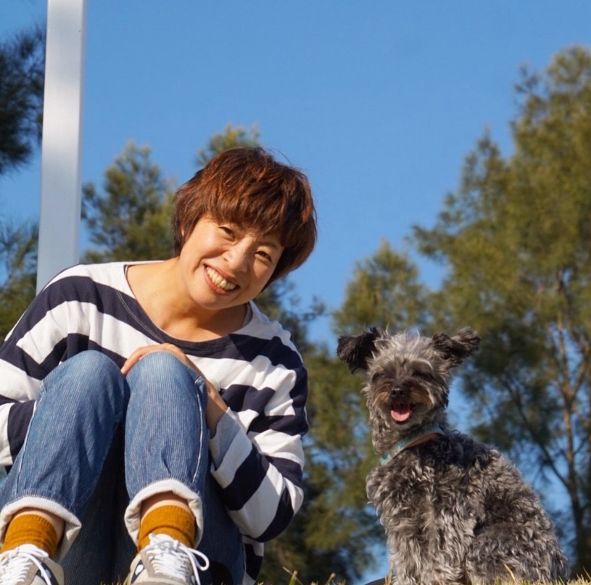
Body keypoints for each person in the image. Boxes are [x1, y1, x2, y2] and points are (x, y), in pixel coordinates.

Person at [0, 146, 317, 585]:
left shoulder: (273, 361)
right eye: (227, 231)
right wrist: (96, 415)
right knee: (91, 374)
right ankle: (27, 557)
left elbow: (273, 514)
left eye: (263, 254)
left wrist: (207, 406)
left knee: (165, 373)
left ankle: (166, 557)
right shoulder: (81, 296)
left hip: (202, 559)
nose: (236, 261)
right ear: (189, 220)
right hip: (74, 548)